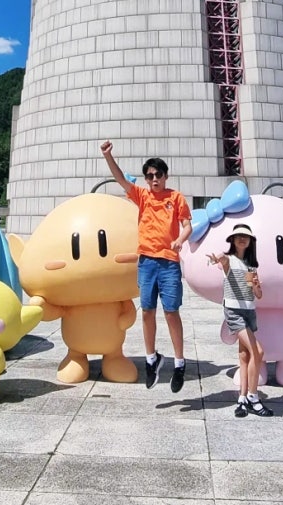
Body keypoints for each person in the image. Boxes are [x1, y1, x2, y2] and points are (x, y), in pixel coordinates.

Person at [100, 140, 192, 391]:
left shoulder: (176, 198)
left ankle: (179, 363)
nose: (154, 179)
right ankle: (152, 359)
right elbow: (120, 180)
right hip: (147, 262)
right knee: (147, 311)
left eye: (158, 175)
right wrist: (108, 156)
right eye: (150, 176)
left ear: (165, 176)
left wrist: (180, 240)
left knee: (171, 312)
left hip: (169, 262)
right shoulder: (142, 196)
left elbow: (187, 226)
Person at [208, 222, 273, 417]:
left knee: (245, 356)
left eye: (245, 237)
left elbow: (258, 295)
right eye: (238, 236)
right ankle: (254, 398)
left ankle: (242, 399)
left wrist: (256, 285)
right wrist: (217, 258)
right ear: (233, 240)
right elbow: (222, 259)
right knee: (258, 352)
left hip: (249, 312)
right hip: (234, 312)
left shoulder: (250, 266)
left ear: (250, 241)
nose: (242, 239)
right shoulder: (229, 260)